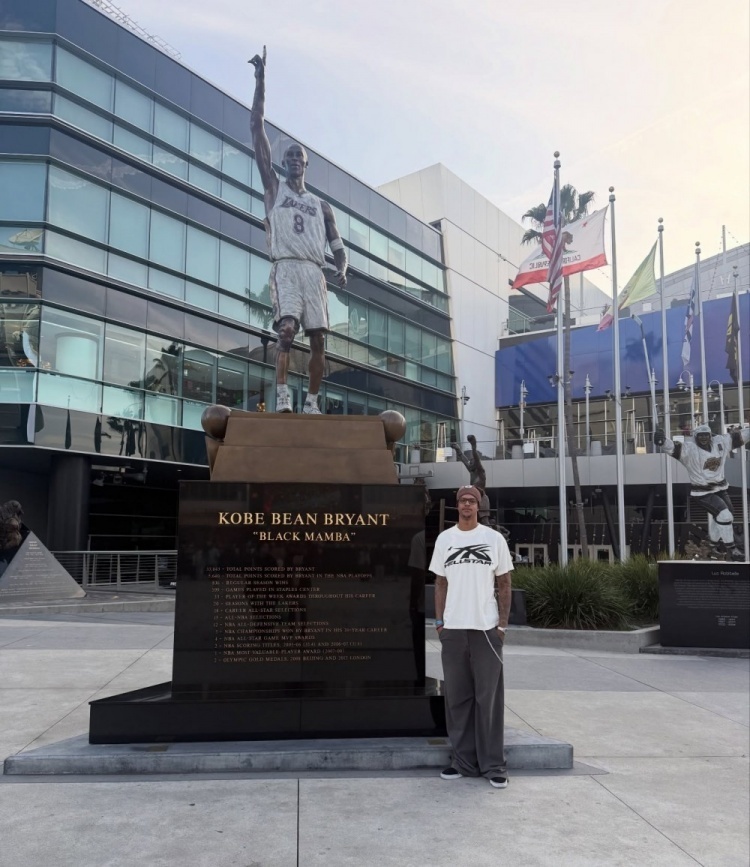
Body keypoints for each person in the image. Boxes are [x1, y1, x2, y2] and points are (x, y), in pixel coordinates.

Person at [249, 47, 347, 415]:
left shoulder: (321, 205)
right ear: (283, 162)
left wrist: (342, 266)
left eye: (298, 157)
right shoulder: (274, 189)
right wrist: (261, 81)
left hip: (313, 271)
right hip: (286, 265)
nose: (292, 160)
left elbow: (338, 245)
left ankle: (311, 402)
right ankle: (282, 395)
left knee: (319, 339)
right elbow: (256, 128)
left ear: (306, 164)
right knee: (287, 330)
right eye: (288, 156)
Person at [429, 484, 514, 788]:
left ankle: (493, 765)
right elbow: (440, 583)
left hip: (486, 629)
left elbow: (505, 584)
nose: (467, 505)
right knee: (458, 698)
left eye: (472, 501)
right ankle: (463, 763)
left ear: (478, 506)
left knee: (487, 699)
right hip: (453, 630)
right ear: (457, 506)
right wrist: (440, 622)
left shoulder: (493, 539)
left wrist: (501, 626)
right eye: (463, 501)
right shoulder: (445, 539)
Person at [654, 423, 750, 560]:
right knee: (725, 516)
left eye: (706, 435)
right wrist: (662, 441)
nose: (704, 438)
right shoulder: (689, 450)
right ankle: (732, 549)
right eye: (700, 435)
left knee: (724, 516)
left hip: (720, 488)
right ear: (695, 437)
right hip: (702, 492)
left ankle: (711, 546)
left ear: (711, 436)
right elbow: (673, 447)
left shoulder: (720, 442)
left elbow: (739, 436)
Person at [452, 434, 491, 525]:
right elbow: (463, 459)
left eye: (472, 462)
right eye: (470, 462)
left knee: (485, 522)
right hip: (473, 499)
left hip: (482, 500)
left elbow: (477, 459)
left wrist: (473, 446)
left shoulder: (481, 472)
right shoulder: (472, 471)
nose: (470, 463)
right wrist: (457, 449)